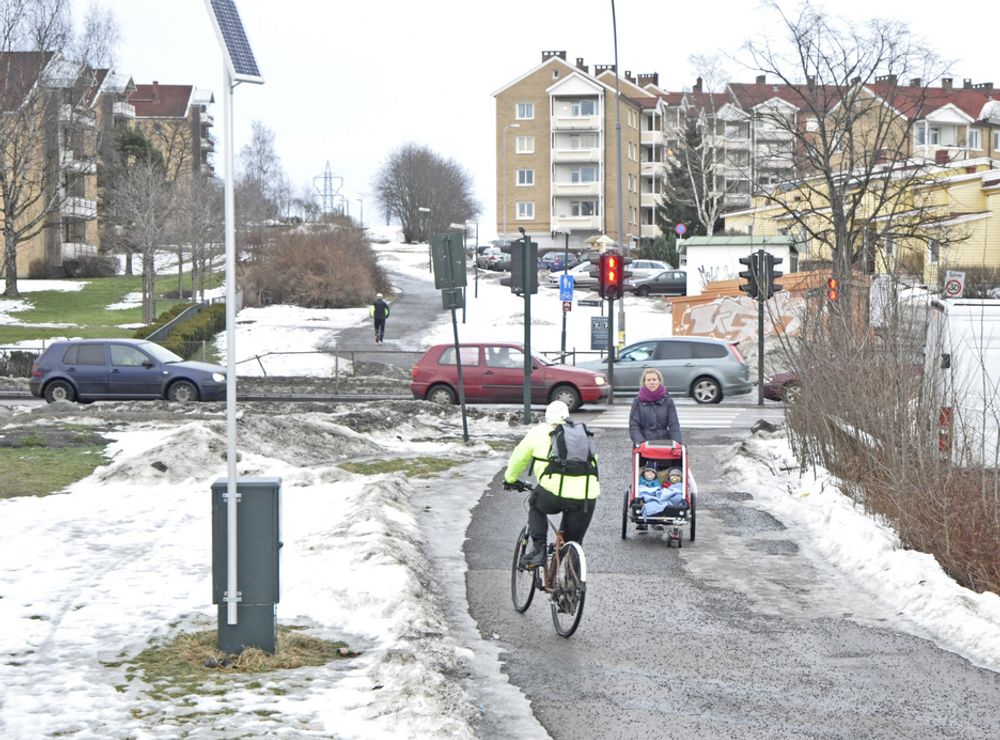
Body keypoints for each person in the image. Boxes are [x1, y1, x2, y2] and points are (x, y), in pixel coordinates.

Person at [502, 400, 601, 567]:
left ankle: (539, 551)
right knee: (574, 542)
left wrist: (510, 479)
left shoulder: (539, 431)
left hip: (554, 492)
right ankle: (574, 582)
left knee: (535, 504)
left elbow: (519, 457)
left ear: (548, 417)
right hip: (586, 495)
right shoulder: (581, 433)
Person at [628, 368, 683, 447]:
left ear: (659, 381)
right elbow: (634, 426)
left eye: (654, 379)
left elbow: (674, 424)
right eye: (648, 380)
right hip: (644, 442)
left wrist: (677, 443)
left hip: (664, 442)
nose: (651, 382)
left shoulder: (668, 400)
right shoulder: (637, 401)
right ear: (644, 382)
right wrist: (640, 442)